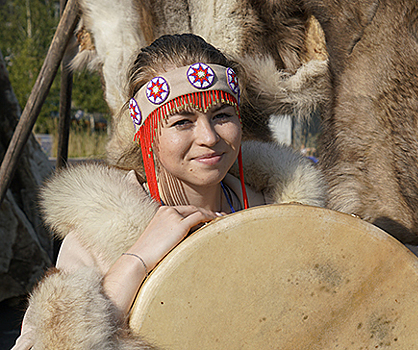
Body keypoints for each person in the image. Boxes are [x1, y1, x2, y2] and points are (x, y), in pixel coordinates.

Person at [12, 34, 326, 349]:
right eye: (181, 122)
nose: (208, 136)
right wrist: (136, 259)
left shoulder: (281, 215)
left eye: (221, 116)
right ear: (147, 134)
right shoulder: (96, 237)